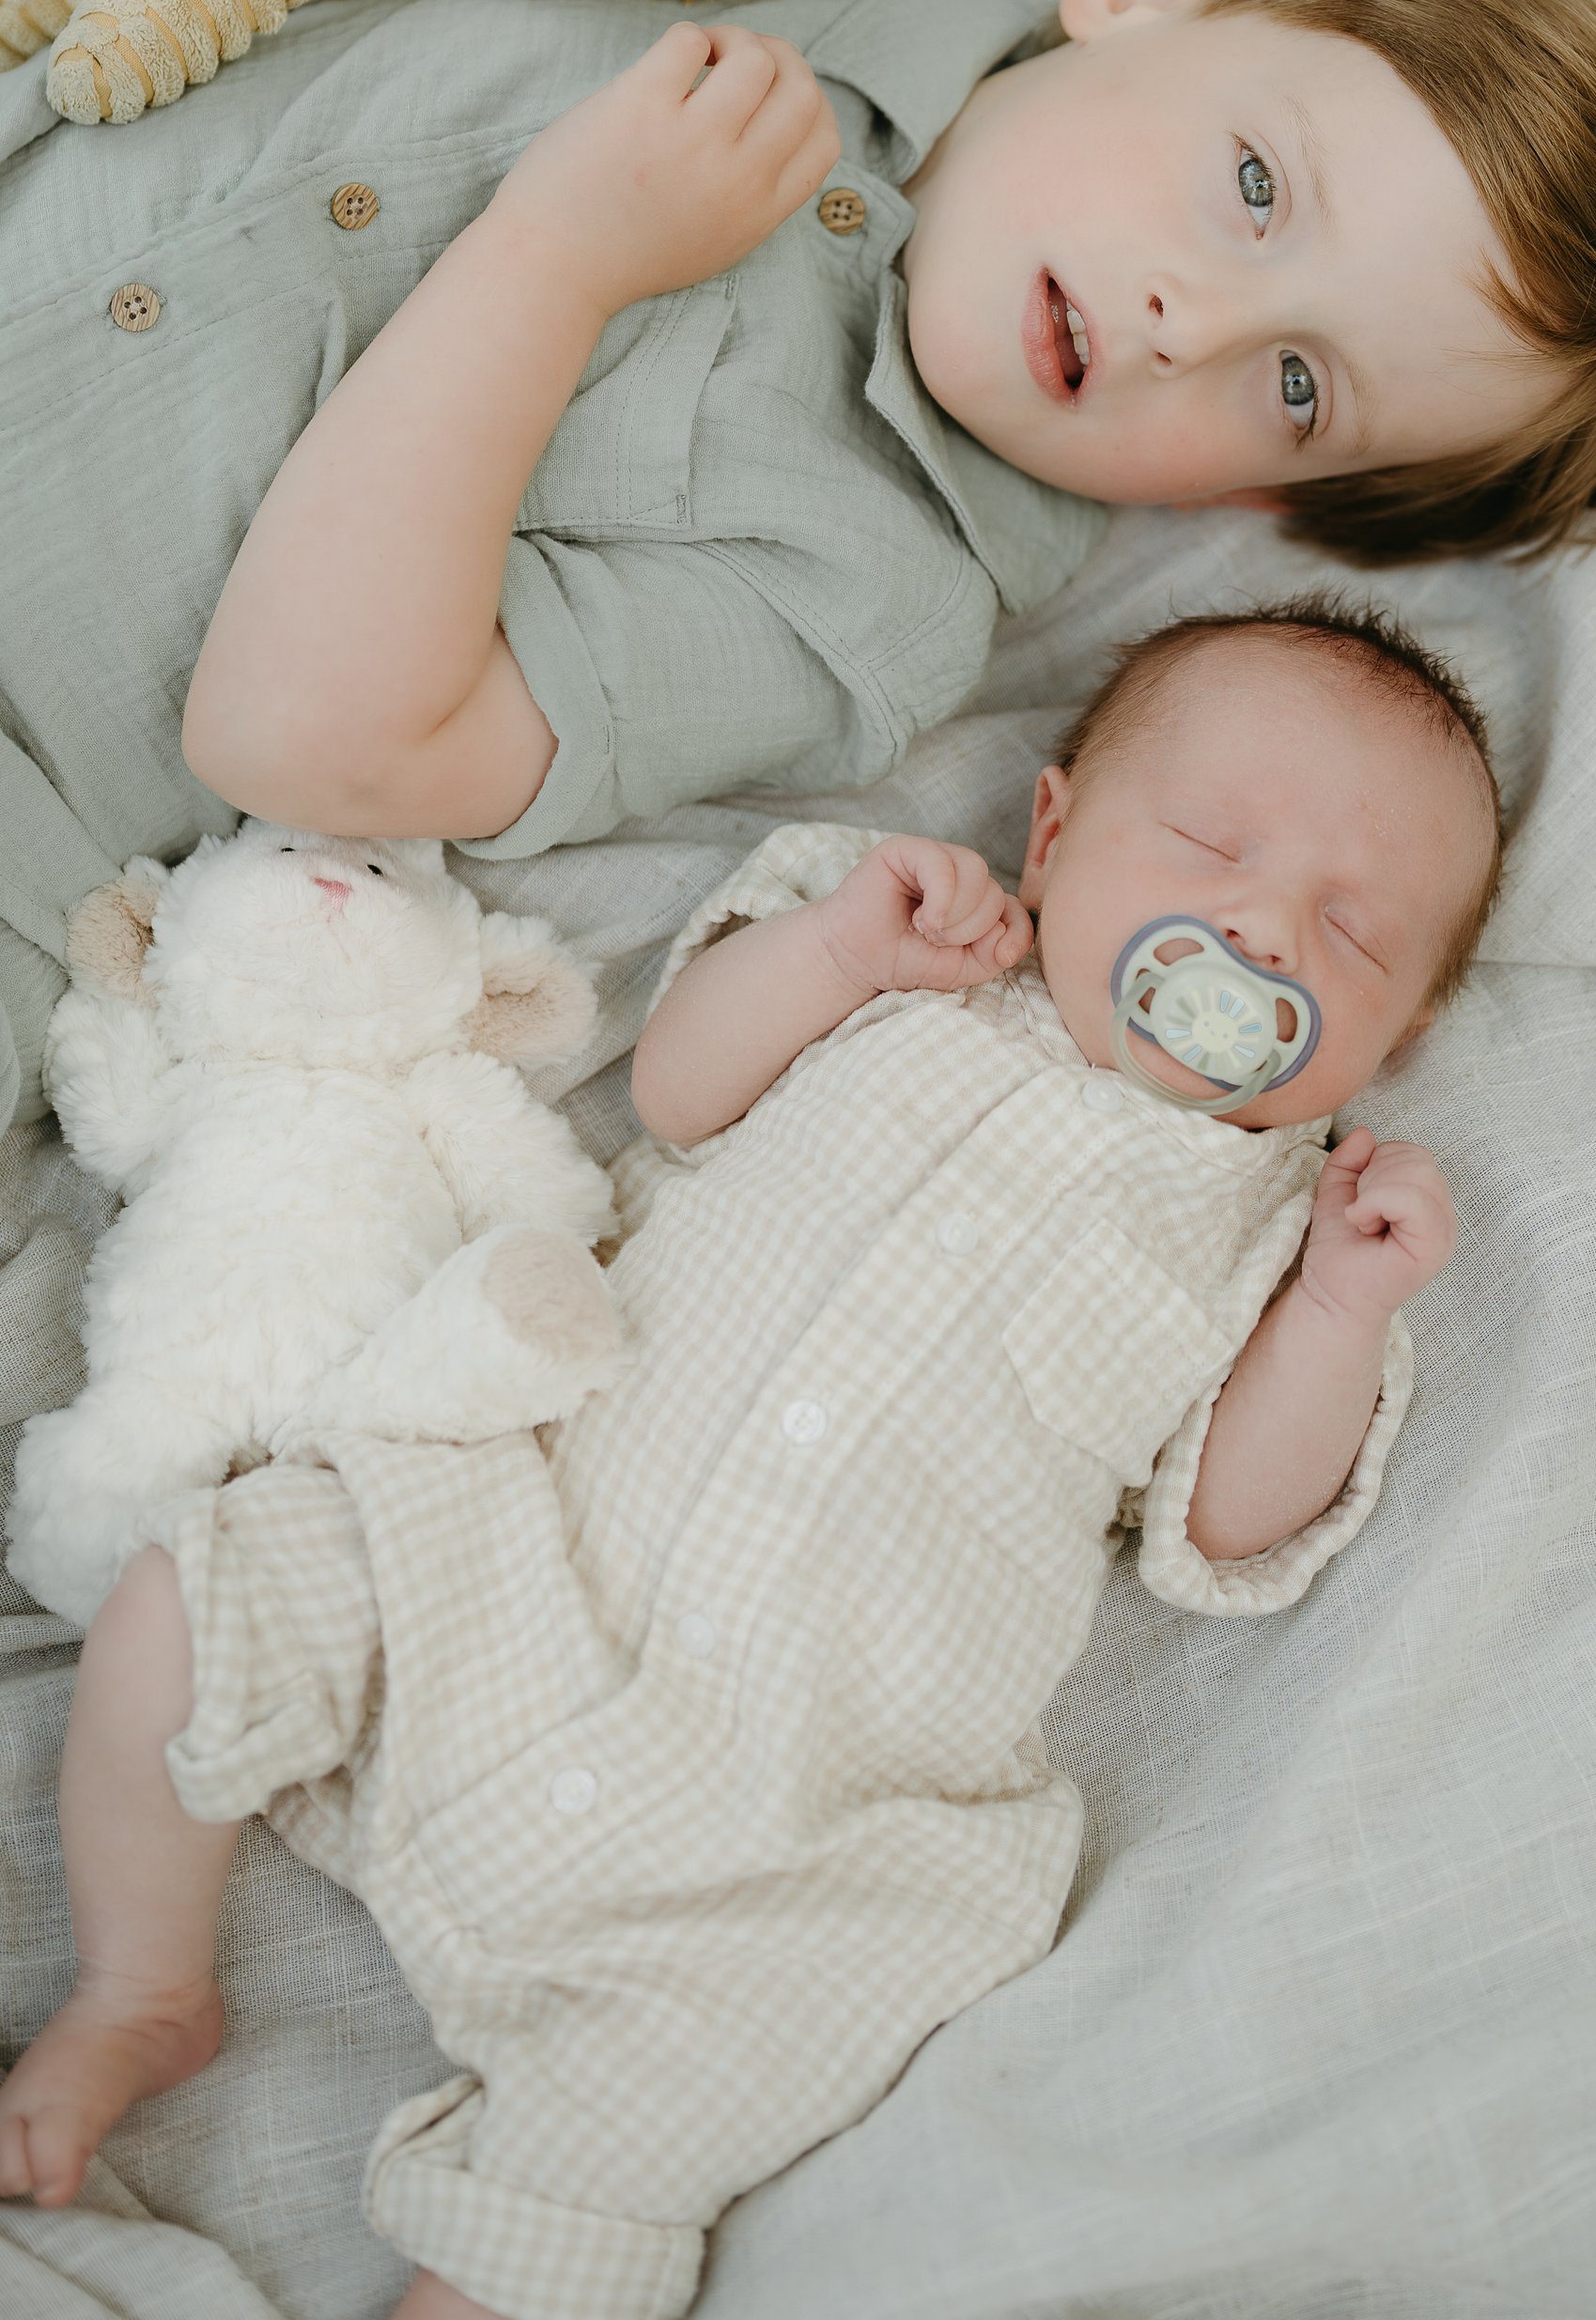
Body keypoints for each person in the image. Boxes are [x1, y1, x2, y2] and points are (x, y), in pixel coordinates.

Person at [0, 0, 1596, 1135]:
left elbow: (309, 736)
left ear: (1251, 502)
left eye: (1299, 386)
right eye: (1253, 185)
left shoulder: (864, 583)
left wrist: (554, 261)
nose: (1196, 321)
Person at [0, 599, 1497, 2319]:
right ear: (1059, 829)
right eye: (1219, 844)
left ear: (1403, 1034)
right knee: (190, 1596)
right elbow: (687, 1094)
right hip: (502, 1564)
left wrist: (1335, 1309)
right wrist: (840, 955)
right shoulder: (895, 960)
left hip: (786, 1809)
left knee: (671, 2117)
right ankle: (139, 1983)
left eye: (1356, 932)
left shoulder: (1269, 1232)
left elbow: (1224, 1526)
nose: (1261, 922)